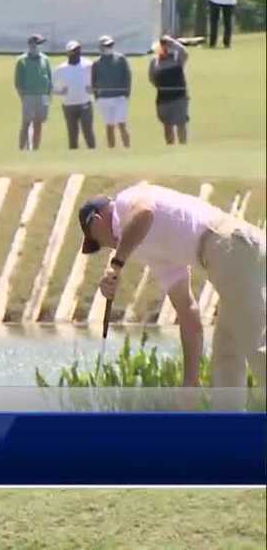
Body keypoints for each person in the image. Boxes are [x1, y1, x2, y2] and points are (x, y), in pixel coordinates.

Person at [80, 185, 265, 397]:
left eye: (97, 241)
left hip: (231, 244)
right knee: (226, 354)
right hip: (226, 255)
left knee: (256, 346)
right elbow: (188, 314)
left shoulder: (125, 201)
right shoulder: (151, 253)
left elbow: (144, 213)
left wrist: (116, 265)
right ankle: (228, 427)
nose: (105, 247)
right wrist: (190, 381)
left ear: (95, 221)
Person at [91, 35, 132, 149]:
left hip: (119, 97)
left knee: (121, 124)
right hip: (104, 98)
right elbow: (93, 80)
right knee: (109, 126)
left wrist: (126, 93)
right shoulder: (97, 63)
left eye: (110, 45)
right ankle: (111, 150)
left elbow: (127, 76)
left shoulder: (121, 59)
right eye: (106, 45)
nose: (109, 47)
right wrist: (97, 97)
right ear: (101, 47)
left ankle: (127, 148)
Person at [52, 40, 96, 149]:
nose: (76, 53)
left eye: (77, 50)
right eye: (73, 51)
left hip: (85, 104)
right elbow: (49, 85)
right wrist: (59, 92)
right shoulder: (61, 69)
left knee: (88, 132)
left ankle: (93, 155)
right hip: (68, 105)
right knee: (72, 134)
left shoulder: (88, 65)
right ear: (68, 53)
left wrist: (94, 89)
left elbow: (99, 79)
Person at [148, 35, 190, 146]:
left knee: (181, 124)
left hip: (179, 97)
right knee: (167, 125)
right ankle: (170, 147)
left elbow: (185, 53)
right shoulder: (155, 62)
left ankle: (183, 146)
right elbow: (152, 79)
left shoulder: (177, 60)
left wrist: (173, 42)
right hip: (163, 98)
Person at [14, 34, 53, 151]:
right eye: (38, 44)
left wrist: (48, 95)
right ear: (31, 44)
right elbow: (18, 82)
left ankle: (35, 149)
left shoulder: (45, 59)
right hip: (28, 96)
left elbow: (49, 78)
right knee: (26, 123)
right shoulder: (21, 61)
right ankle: (22, 148)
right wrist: (22, 96)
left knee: (38, 123)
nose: (39, 47)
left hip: (43, 96)